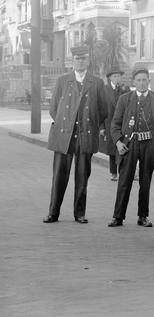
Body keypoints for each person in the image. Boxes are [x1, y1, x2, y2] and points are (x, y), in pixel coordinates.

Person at [43, 45, 109, 224]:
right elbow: (54, 108)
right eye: (78, 59)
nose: (81, 62)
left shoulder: (96, 82)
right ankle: (53, 212)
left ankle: (79, 213)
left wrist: (90, 124)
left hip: (85, 135)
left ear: (88, 60)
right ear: (73, 61)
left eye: (84, 59)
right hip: (65, 135)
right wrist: (66, 123)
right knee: (59, 175)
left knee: (82, 176)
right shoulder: (63, 80)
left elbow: (103, 110)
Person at [108, 66, 154, 227]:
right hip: (129, 144)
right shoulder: (125, 99)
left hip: (150, 144)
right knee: (124, 180)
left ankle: (143, 216)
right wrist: (118, 142)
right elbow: (115, 124)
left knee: (145, 180)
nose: (142, 83)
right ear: (133, 82)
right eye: (139, 80)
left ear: (149, 81)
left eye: (144, 80)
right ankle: (118, 216)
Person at [100, 67, 126, 181]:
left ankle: (122, 171)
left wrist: (124, 90)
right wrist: (101, 127)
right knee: (112, 149)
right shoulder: (104, 90)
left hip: (122, 123)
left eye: (119, 76)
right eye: (115, 76)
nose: (117, 79)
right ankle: (113, 172)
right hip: (109, 123)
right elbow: (99, 109)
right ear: (110, 78)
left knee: (122, 147)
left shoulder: (124, 89)